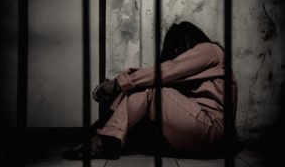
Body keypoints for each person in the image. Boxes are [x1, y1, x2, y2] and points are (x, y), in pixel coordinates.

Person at [62, 21, 238, 159]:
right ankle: (104, 136)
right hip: (205, 134)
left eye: (177, 47)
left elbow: (168, 69)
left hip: (213, 130)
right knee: (143, 89)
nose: (176, 53)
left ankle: (102, 141)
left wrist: (118, 83)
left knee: (149, 88)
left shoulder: (210, 50)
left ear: (187, 39)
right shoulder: (201, 70)